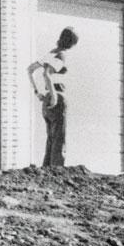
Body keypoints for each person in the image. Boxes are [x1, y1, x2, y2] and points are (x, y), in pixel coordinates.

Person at [28, 27, 78, 168]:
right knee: (59, 140)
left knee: (51, 139)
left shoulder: (51, 53)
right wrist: (55, 96)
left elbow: (30, 70)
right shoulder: (62, 55)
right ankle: (57, 171)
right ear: (72, 43)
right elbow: (47, 74)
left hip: (46, 100)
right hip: (58, 98)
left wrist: (38, 92)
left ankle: (47, 172)